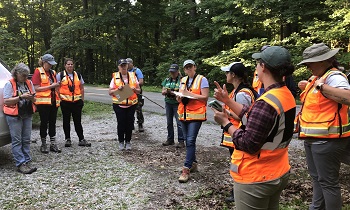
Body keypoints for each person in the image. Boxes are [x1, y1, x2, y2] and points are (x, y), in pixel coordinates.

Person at [212, 46, 296, 209]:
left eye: (258, 63)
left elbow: (248, 144)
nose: (256, 67)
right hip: (278, 170)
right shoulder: (284, 94)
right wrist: (228, 101)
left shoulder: (266, 103)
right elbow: (253, 115)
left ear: (263, 67)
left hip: (257, 177)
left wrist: (226, 123)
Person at [295, 43, 350, 210]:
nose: (307, 67)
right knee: (318, 179)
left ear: (324, 60)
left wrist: (320, 86)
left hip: (327, 141)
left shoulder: (334, 77)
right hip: (313, 139)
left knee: (328, 183)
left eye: (310, 63)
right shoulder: (320, 77)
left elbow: (347, 97)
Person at [219, 62, 258, 203]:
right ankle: (237, 191)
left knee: (239, 164)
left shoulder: (242, 93)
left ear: (233, 75)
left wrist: (226, 113)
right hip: (236, 134)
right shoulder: (238, 91)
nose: (225, 75)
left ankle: (239, 192)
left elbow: (245, 116)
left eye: (227, 73)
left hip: (239, 135)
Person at [177, 59, 209, 183]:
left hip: (196, 115)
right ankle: (194, 163)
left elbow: (205, 97)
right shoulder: (183, 80)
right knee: (187, 141)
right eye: (186, 68)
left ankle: (186, 169)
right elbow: (180, 97)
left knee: (190, 140)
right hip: (184, 114)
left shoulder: (202, 79)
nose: (188, 69)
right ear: (184, 69)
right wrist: (179, 96)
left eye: (190, 67)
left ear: (194, 67)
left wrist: (189, 94)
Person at [3, 63, 37, 174]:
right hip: (14, 115)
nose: (25, 78)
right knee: (16, 140)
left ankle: (27, 160)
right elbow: (6, 101)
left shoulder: (29, 82)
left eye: (27, 75)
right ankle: (20, 163)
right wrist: (21, 97)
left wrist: (32, 98)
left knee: (26, 139)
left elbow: (35, 99)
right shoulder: (10, 84)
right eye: (23, 75)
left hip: (27, 113)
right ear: (16, 74)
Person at [56, 58, 90, 147]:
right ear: (65, 65)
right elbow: (57, 88)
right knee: (66, 121)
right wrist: (60, 99)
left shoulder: (77, 75)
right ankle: (68, 139)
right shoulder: (60, 75)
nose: (70, 66)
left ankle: (81, 139)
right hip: (65, 102)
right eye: (68, 64)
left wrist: (82, 99)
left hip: (77, 102)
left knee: (77, 121)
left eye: (71, 64)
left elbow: (82, 88)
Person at [31, 54, 61, 153]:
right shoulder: (38, 71)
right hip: (43, 103)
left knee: (53, 122)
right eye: (49, 64)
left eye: (52, 64)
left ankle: (53, 144)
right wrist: (51, 86)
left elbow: (55, 86)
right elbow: (36, 88)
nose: (51, 66)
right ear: (44, 62)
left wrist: (57, 88)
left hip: (53, 102)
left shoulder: (53, 72)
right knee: (44, 123)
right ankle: (43, 144)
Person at [109, 59, 141, 151]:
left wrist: (135, 89)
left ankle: (128, 141)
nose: (123, 67)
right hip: (119, 105)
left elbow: (139, 90)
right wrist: (117, 90)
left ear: (128, 66)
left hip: (131, 104)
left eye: (125, 65)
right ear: (118, 67)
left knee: (129, 123)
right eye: (121, 65)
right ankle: (121, 142)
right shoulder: (115, 77)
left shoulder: (133, 76)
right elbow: (110, 92)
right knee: (121, 123)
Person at [161, 64, 185, 147]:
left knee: (179, 122)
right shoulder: (167, 80)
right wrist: (166, 92)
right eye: (171, 72)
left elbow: (183, 92)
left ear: (178, 71)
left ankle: (181, 141)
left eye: (174, 72)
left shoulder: (182, 80)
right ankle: (170, 139)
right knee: (169, 122)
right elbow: (163, 90)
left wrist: (174, 92)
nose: (172, 73)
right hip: (168, 102)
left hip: (177, 103)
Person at [126, 58, 145, 132]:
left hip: (136, 92)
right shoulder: (125, 71)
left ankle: (140, 124)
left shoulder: (137, 71)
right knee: (129, 108)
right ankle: (131, 124)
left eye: (128, 64)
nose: (127, 65)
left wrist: (133, 85)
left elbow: (141, 82)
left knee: (138, 108)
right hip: (127, 91)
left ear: (131, 63)